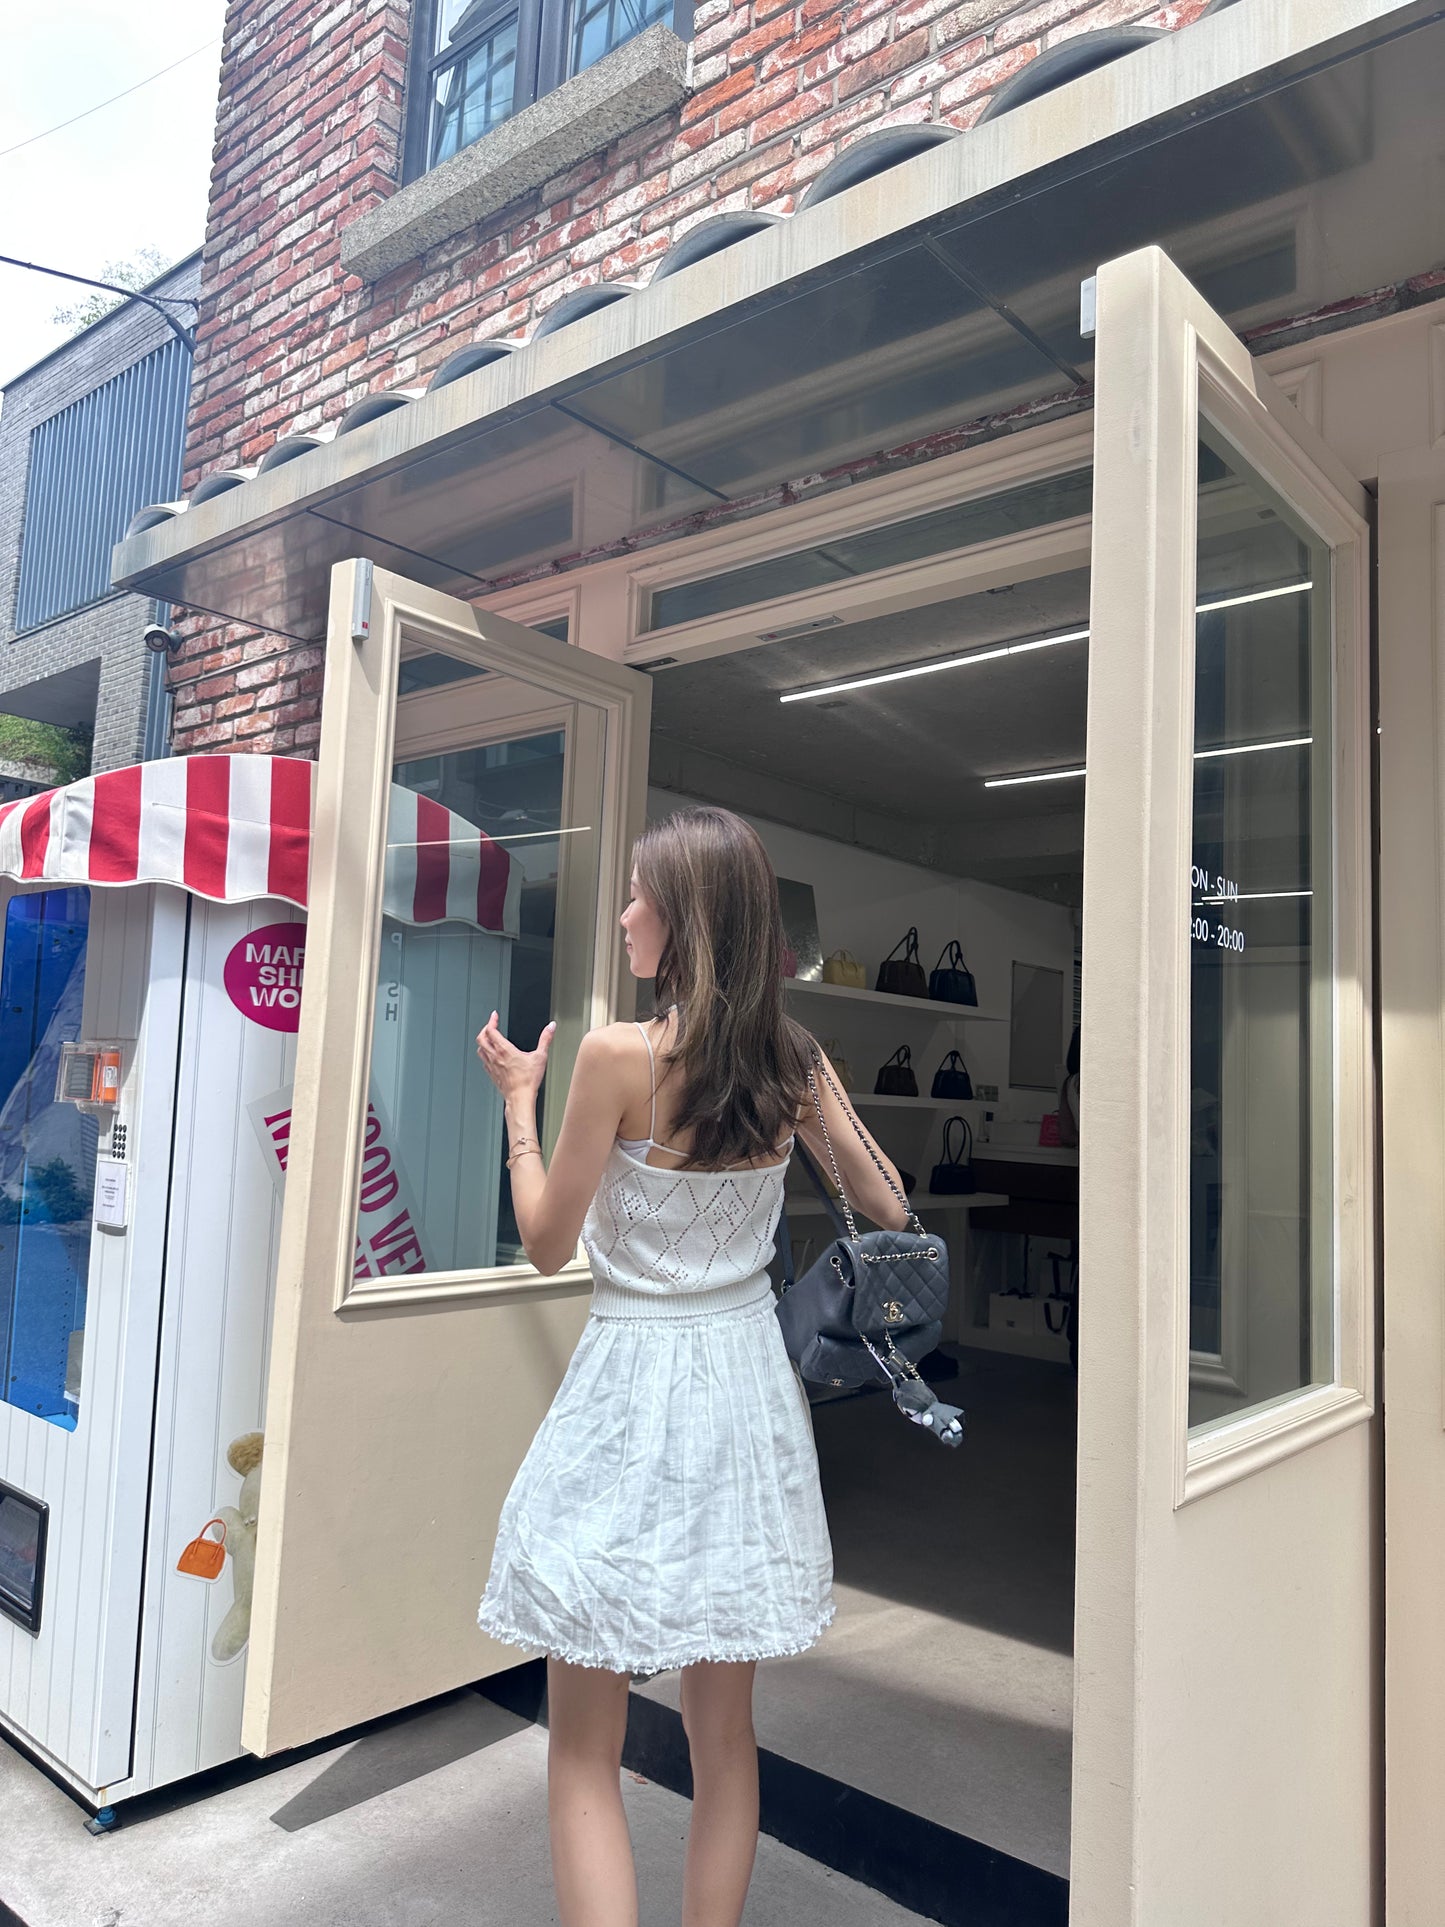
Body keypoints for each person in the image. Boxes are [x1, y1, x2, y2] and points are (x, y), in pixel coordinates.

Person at [474, 805, 910, 1927]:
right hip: (746, 1392)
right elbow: (886, 1203)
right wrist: (816, 1075)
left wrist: (519, 1109)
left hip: (629, 1388)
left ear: (687, 920)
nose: (622, 916)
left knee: (584, 1748)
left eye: (636, 896)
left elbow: (543, 1238)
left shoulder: (619, 1056)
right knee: (725, 1738)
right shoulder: (791, 1060)